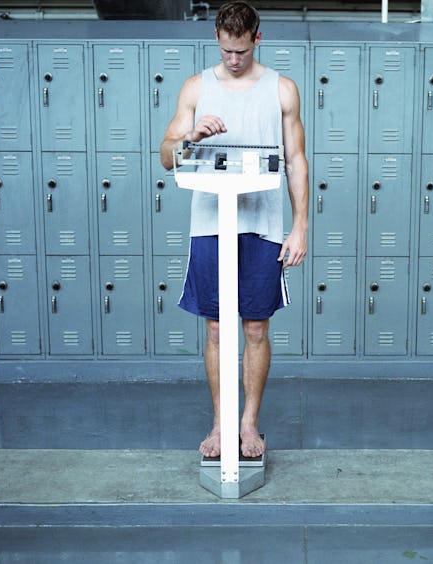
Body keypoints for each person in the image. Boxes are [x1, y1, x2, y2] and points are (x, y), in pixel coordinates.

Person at [160, 0, 308, 459]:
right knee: (216, 330)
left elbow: (297, 161)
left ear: (256, 40)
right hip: (210, 225)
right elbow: (166, 155)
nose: (233, 60)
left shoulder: (282, 89)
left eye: (241, 51)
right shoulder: (196, 88)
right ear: (218, 42)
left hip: (261, 227)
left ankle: (249, 424)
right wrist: (191, 138)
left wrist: (301, 225)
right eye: (226, 50)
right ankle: (221, 424)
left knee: (257, 329)